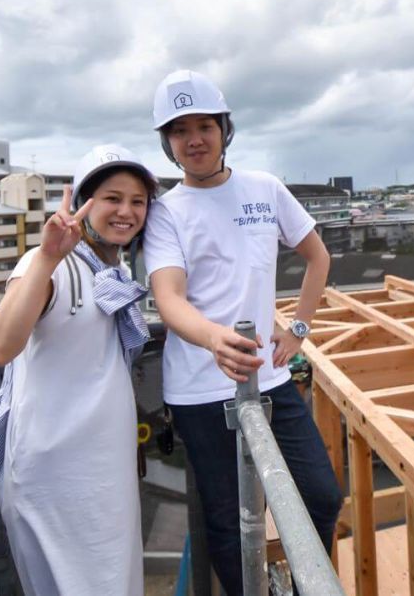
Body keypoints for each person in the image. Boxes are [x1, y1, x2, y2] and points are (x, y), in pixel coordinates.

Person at [143, 69, 341, 594]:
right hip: (199, 389)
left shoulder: (265, 189)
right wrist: (213, 339)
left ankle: (301, 586)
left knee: (321, 496)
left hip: (270, 378)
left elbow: (317, 256)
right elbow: (168, 297)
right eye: (179, 131)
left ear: (224, 129)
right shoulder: (165, 212)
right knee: (229, 523)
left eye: (204, 125)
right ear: (168, 144)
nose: (194, 139)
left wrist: (298, 327)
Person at [0, 145, 156, 595]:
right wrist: (45, 257)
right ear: (82, 203)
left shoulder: (111, 274)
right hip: (56, 483)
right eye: (112, 198)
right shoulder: (53, 265)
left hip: (102, 478)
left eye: (137, 201)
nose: (126, 211)